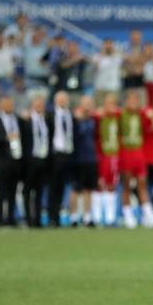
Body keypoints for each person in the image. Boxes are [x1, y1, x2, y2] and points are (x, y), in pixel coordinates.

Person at [118, 90, 153, 228]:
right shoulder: (120, 115)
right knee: (127, 185)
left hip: (139, 153)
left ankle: (147, 213)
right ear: (126, 102)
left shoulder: (141, 115)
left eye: (136, 100)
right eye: (131, 100)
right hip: (126, 152)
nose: (134, 103)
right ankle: (127, 214)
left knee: (142, 183)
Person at [0, 96, 24, 226]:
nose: (9, 106)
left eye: (10, 104)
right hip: (2, 162)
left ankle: (11, 218)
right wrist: (5, 137)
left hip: (16, 161)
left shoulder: (18, 120)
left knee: (13, 192)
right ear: (1, 106)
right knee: (2, 191)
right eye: (6, 104)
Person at [46, 91, 76, 227]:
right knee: (53, 188)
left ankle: (57, 217)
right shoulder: (50, 116)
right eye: (60, 100)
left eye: (65, 99)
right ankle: (52, 217)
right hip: (55, 155)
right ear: (55, 101)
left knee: (62, 188)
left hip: (68, 154)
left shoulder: (71, 115)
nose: (63, 102)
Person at [21, 96, 50, 228]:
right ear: (32, 106)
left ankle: (37, 220)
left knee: (39, 192)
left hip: (42, 160)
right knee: (27, 191)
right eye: (37, 105)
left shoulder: (47, 120)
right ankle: (28, 219)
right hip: (29, 160)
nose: (40, 107)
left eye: (41, 105)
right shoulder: (25, 120)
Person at [69, 96, 98, 227]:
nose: (87, 107)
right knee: (76, 188)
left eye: (90, 104)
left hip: (91, 158)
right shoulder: (75, 120)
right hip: (78, 159)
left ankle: (87, 217)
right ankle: (74, 217)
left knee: (88, 189)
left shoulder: (94, 120)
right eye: (85, 104)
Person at [95, 93, 121, 227]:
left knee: (112, 185)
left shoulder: (118, 116)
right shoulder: (98, 117)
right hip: (102, 155)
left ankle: (110, 218)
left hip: (114, 155)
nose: (111, 107)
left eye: (113, 103)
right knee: (100, 184)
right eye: (108, 104)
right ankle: (98, 217)